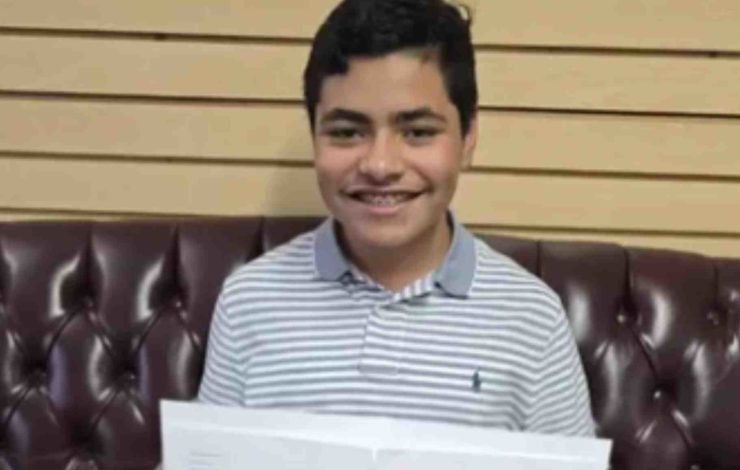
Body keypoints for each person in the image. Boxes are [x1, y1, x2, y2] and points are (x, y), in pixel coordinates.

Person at [198, 0, 595, 436]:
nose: (380, 166)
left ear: (468, 137)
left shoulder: (533, 318)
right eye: (347, 132)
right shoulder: (248, 301)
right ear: (314, 136)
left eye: (418, 132)